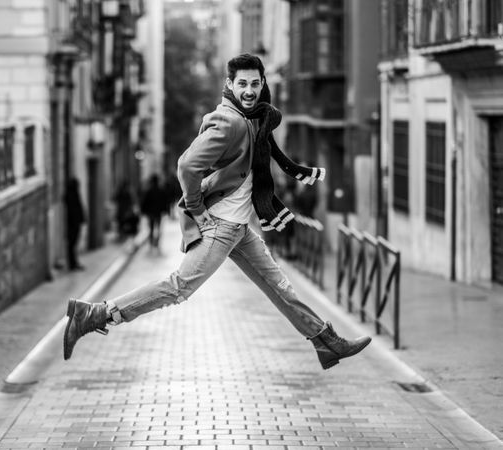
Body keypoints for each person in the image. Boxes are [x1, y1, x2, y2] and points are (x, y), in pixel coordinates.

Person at [64, 54, 371, 370]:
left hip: (239, 229)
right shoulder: (230, 121)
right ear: (230, 84)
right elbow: (186, 165)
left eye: (254, 83)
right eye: (242, 84)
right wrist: (197, 209)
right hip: (221, 227)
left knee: (279, 286)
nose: (249, 90)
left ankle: (324, 341)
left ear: (262, 83)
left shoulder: (254, 118)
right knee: (179, 286)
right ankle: (97, 314)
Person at [140, 174, 170, 249]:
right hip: (158, 213)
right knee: (158, 227)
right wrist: (166, 210)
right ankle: (157, 242)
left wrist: (143, 211)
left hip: (151, 213)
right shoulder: (161, 190)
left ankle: (151, 242)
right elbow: (165, 202)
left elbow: (144, 202)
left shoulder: (149, 191)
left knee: (151, 227)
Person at [64, 178, 86, 271]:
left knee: (73, 244)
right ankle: (72, 264)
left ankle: (74, 263)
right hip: (73, 224)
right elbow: (76, 210)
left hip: (74, 223)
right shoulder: (71, 196)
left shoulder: (73, 194)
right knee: (72, 244)